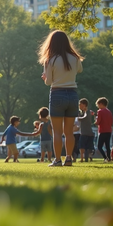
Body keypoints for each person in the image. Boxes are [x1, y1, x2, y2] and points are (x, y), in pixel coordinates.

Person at [39, 30, 84, 167]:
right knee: (69, 131)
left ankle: (58, 160)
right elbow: (79, 70)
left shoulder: (50, 60)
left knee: (57, 131)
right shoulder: (75, 58)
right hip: (72, 94)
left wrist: (45, 77)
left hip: (57, 94)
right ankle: (69, 158)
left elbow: (48, 82)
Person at [94, 97, 113, 162]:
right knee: (107, 146)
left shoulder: (100, 111)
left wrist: (95, 121)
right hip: (109, 130)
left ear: (101, 104)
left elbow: (98, 122)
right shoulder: (109, 111)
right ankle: (109, 158)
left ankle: (105, 158)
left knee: (99, 146)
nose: (98, 107)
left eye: (98, 105)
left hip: (102, 130)